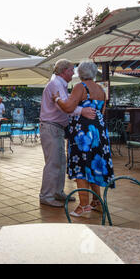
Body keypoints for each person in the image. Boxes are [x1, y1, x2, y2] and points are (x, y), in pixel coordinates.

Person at [52, 61, 115, 216]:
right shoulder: (101, 89)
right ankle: (97, 202)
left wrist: (56, 99)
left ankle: (84, 205)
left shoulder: (80, 87)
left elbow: (68, 108)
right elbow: (101, 111)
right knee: (94, 164)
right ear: (93, 73)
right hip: (99, 133)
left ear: (80, 73)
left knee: (80, 166)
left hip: (83, 133)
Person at [39, 59, 97, 207]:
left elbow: (66, 105)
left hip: (55, 127)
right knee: (53, 163)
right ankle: (46, 196)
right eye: (71, 70)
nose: (74, 72)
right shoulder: (55, 84)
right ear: (64, 71)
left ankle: (57, 192)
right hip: (51, 126)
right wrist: (82, 111)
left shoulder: (60, 84)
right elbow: (66, 107)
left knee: (59, 162)